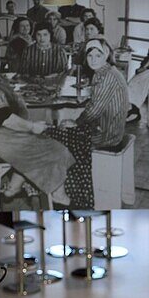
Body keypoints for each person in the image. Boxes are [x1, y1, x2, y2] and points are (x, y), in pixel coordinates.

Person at [0, 48, 74, 205]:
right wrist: (31, 127)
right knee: (53, 147)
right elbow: (5, 118)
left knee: (43, 140)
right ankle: (57, 191)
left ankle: (14, 185)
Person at [42, 39, 128, 207]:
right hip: (108, 129)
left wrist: (77, 123)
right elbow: (96, 106)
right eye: (90, 55)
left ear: (107, 55)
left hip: (107, 135)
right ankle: (65, 189)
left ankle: (65, 193)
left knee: (53, 136)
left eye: (98, 55)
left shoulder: (107, 77)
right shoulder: (106, 72)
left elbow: (95, 110)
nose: (93, 59)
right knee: (61, 129)